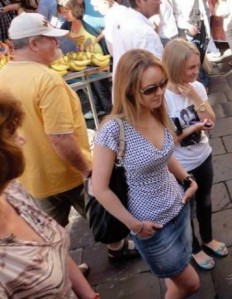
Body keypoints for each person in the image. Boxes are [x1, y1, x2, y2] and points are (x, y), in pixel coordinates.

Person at [0, 12, 137, 262]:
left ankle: (67, 271)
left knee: (51, 232)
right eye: (50, 40)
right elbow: (60, 138)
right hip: (67, 173)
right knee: (106, 212)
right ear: (33, 44)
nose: (56, 43)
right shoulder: (47, 79)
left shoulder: (3, 76)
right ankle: (117, 250)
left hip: (31, 176)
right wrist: (88, 171)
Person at [91, 49, 200, 299]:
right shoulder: (112, 130)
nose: (160, 93)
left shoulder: (157, 112)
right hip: (151, 226)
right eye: (150, 89)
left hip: (179, 207)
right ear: (128, 89)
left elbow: (163, 153)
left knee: (178, 278)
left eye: (162, 84)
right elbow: (99, 189)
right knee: (191, 283)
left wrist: (187, 179)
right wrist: (136, 226)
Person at [0, 91, 98, 298]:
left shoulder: (12, 191)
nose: (22, 139)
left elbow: (54, 246)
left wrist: (88, 294)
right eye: (10, 134)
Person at [163, 38, 228, 270]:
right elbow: (163, 142)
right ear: (174, 66)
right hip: (179, 165)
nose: (196, 71)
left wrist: (194, 96)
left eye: (197, 66)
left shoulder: (196, 87)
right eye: (190, 67)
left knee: (206, 201)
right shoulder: (161, 98)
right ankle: (194, 248)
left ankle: (208, 238)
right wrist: (192, 129)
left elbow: (211, 117)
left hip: (203, 156)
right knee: (185, 208)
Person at [58, 0, 112, 118]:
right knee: (90, 87)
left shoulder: (87, 19)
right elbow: (59, 34)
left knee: (100, 85)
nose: (64, 15)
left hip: (97, 58)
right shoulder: (66, 25)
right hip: (84, 59)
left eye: (66, 12)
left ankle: (109, 110)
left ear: (74, 10)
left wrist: (96, 39)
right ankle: (96, 109)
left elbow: (109, 24)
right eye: (62, 13)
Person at [111, 0, 163, 74]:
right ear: (139, 1)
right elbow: (155, 72)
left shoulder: (120, 22)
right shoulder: (145, 33)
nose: (160, 2)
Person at [173, 0, 211, 89]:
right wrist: (188, 26)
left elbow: (205, 12)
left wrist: (208, 32)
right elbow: (176, 15)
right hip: (189, 31)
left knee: (201, 55)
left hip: (202, 27)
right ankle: (201, 83)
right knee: (193, 57)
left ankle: (201, 80)